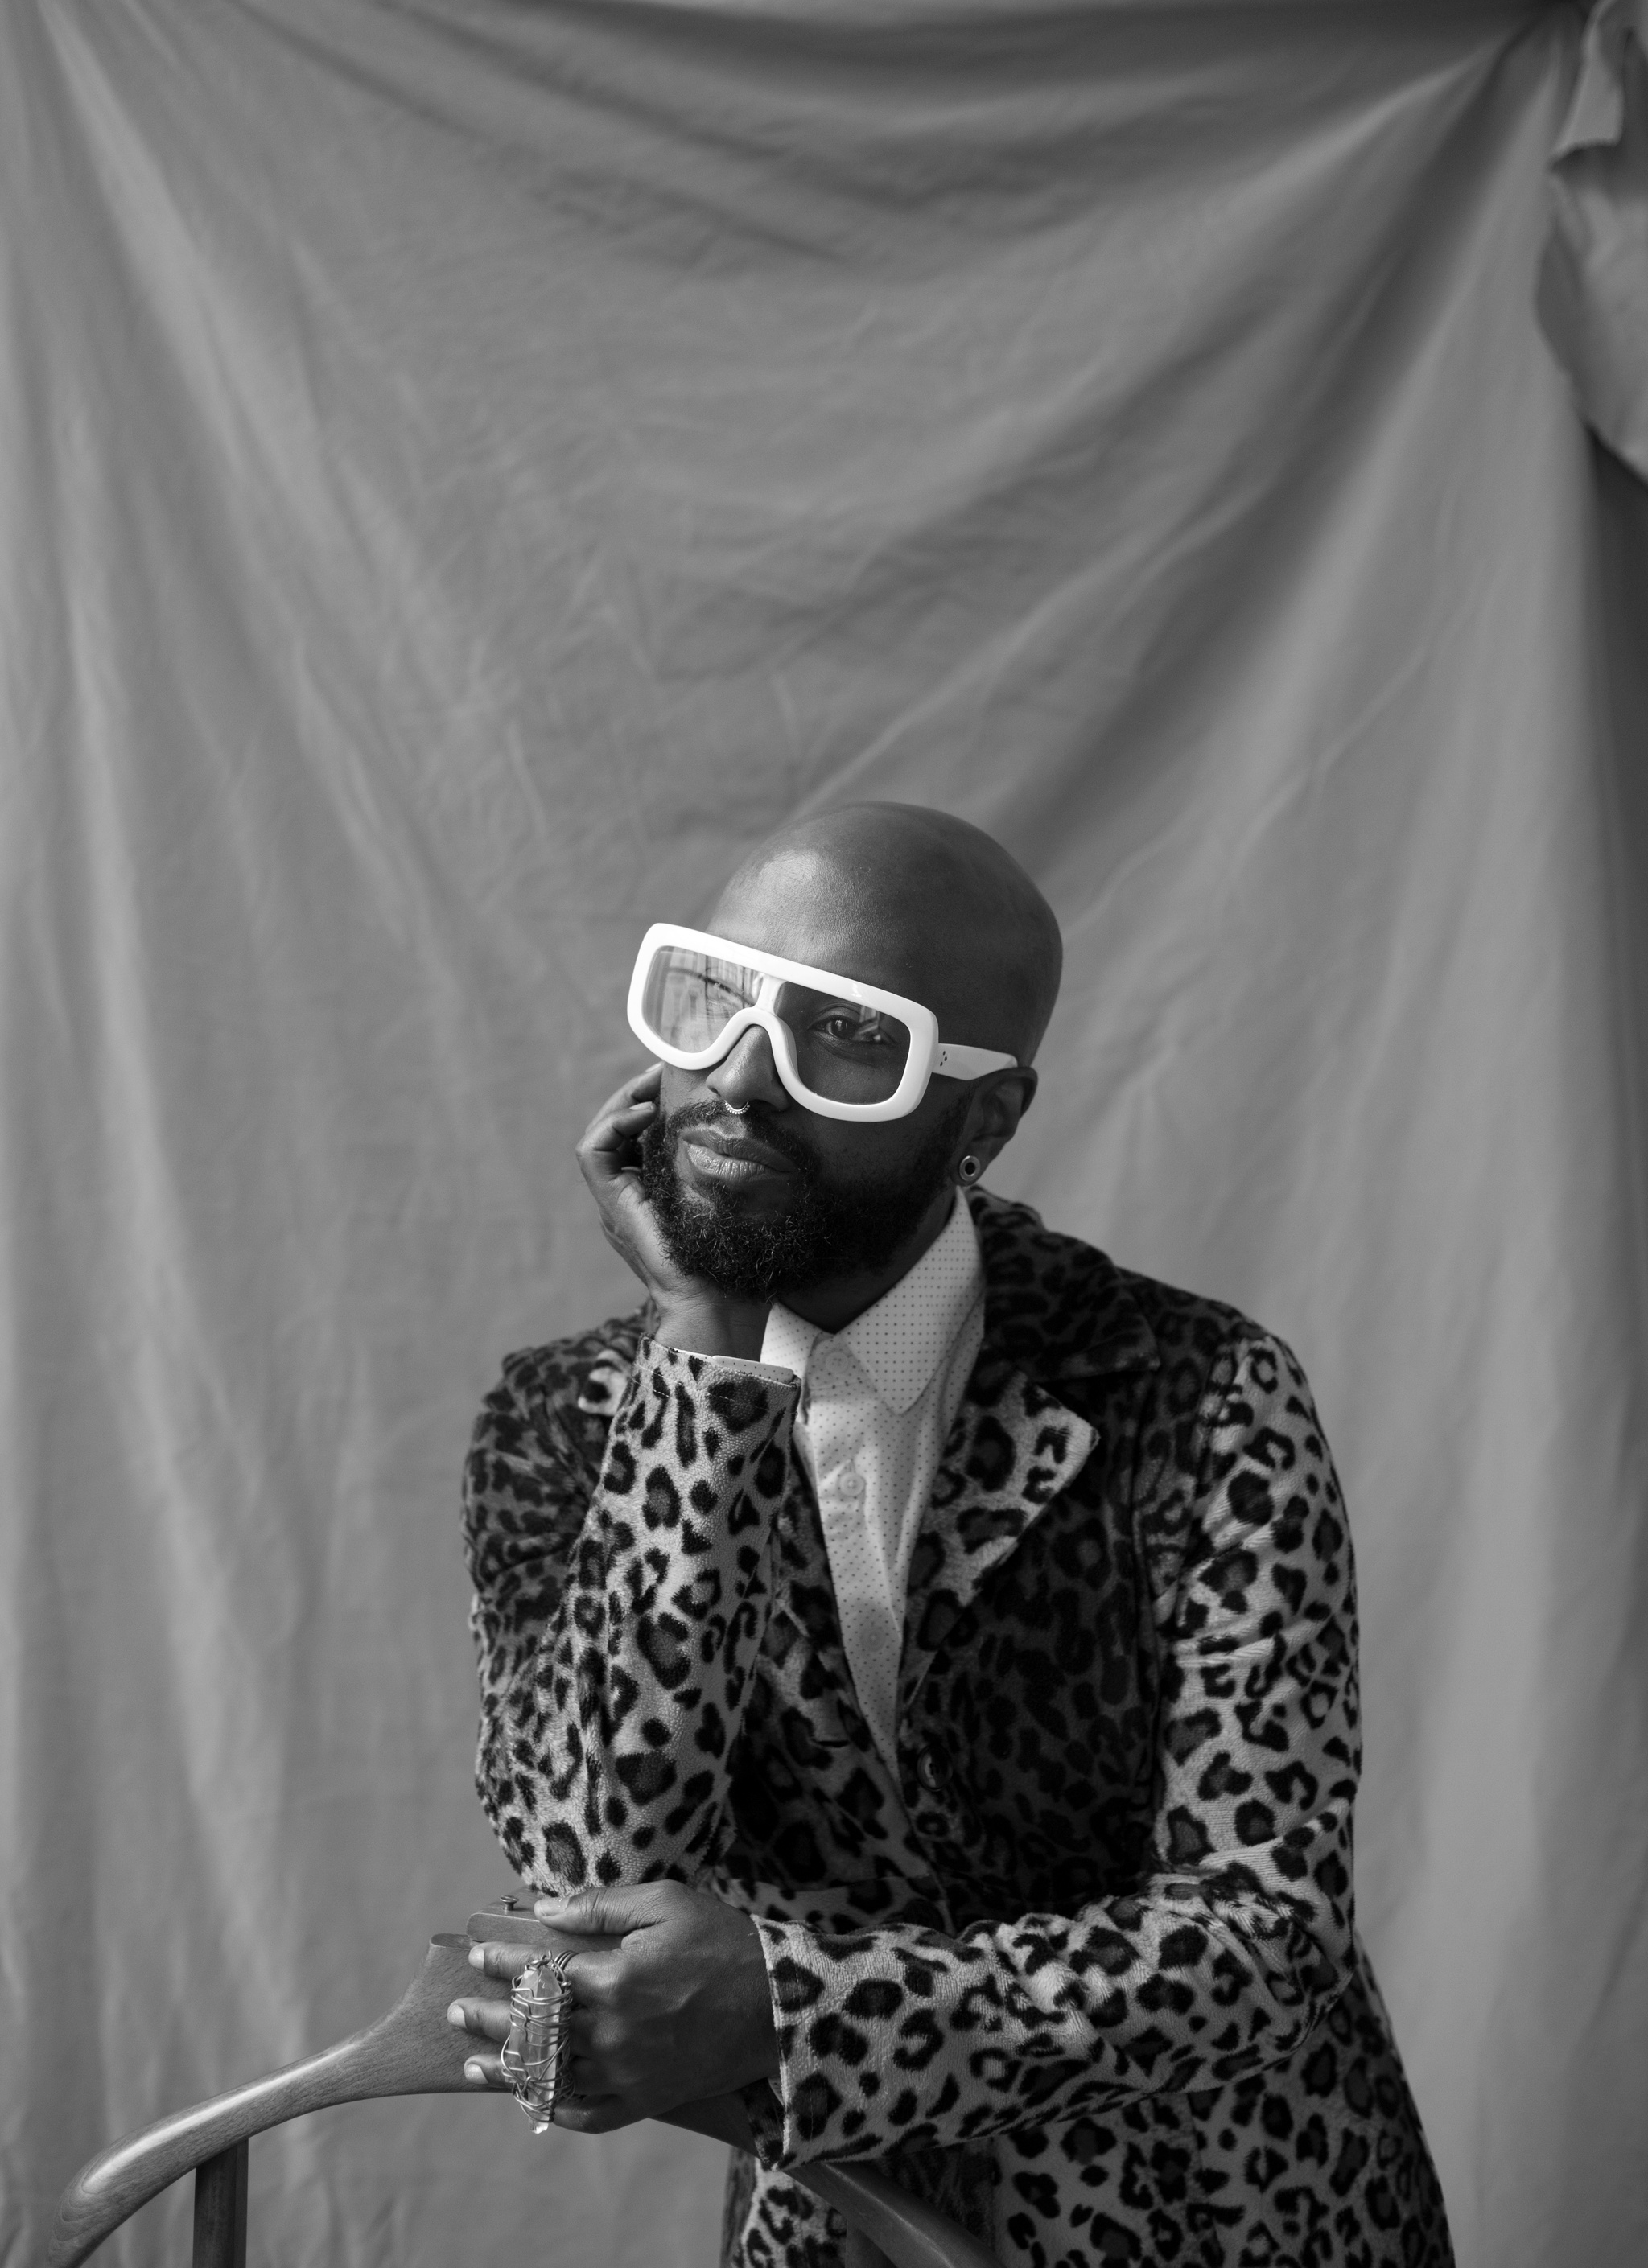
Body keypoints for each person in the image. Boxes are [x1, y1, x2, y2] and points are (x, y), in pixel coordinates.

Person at [447, 801, 1454, 2268]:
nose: (738, 1080)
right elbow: (594, 1875)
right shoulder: (565, 1423)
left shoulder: (1195, 1397)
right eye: (717, 998)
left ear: (985, 1116)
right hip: (835, 2227)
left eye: (846, 1037)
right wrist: (704, 1368)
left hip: (1227, 2214)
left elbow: (1264, 1938)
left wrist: (799, 2011)